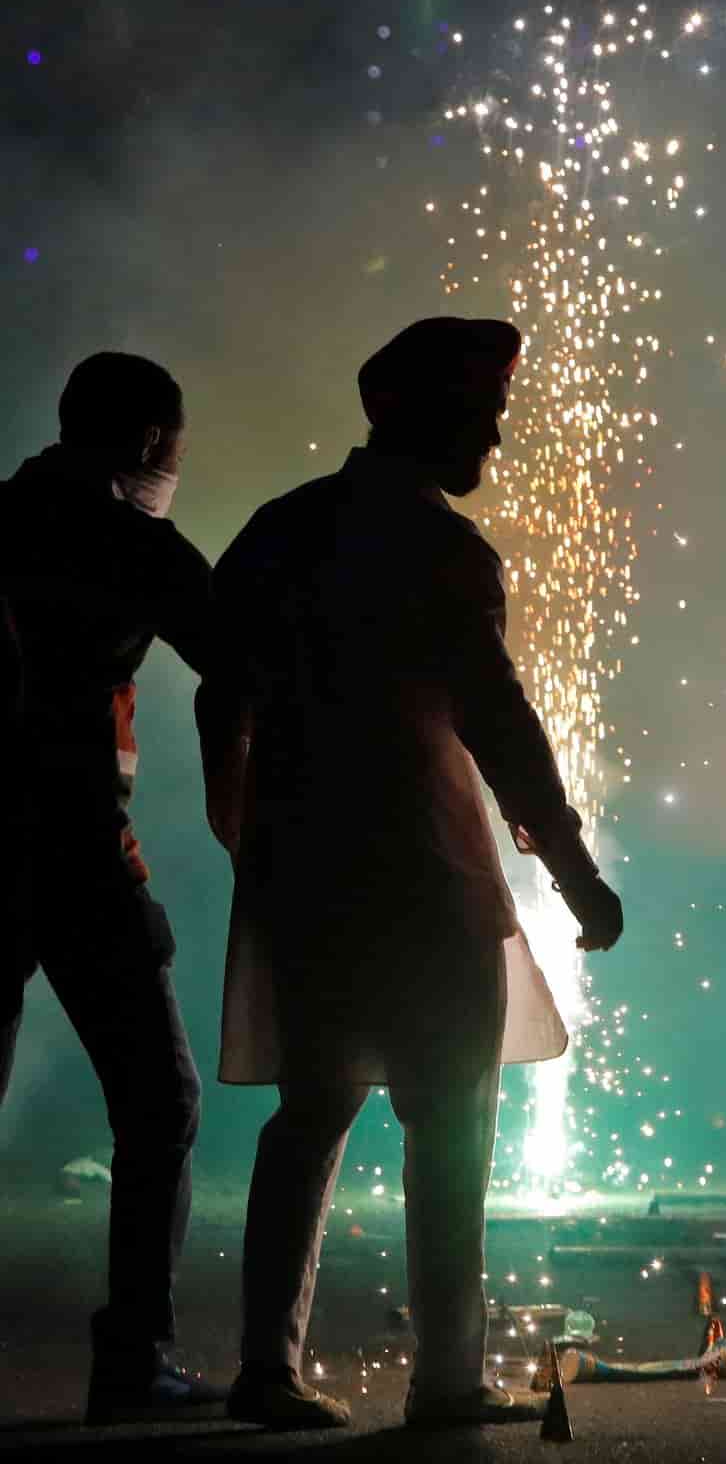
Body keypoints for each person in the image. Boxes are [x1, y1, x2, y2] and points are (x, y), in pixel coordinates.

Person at [200, 317, 623, 1430]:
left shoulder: (281, 530)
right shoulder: (442, 551)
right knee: (450, 1125)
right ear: (412, 410)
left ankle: (266, 1369)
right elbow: (502, 727)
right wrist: (575, 873)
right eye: (479, 411)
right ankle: (445, 1379)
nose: (494, 435)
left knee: (310, 1112)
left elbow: (217, 686)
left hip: (305, 871)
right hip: (429, 871)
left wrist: (243, 825)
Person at [0, 352, 224, 1423]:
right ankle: (134, 1357)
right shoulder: (132, 542)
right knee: (159, 1103)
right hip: (79, 854)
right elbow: (247, 652)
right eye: (174, 448)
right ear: (146, 441)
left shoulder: (4, 515)